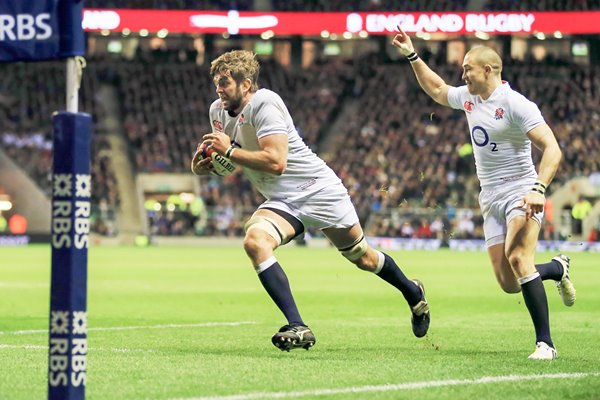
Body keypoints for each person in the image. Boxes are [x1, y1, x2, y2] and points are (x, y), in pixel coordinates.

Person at [191, 50, 430, 351]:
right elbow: (221, 157)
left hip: (319, 189)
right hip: (282, 199)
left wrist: (228, 152)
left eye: (224, 83)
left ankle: (413, 293)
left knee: (363, 257)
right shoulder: (218, 111)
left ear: (246, 84)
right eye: (217, 83)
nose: (219, 89)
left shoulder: (265, 104)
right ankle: (298, 325)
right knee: (255, 241)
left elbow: (276, 161)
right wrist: (203, 164)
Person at [392, 27, 576, 360]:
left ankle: (546, 344)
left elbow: (552, 148)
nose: (462, 74)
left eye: (467, 69)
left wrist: (538, 188)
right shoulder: (469, 98)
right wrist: (411, 55)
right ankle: (556, 268)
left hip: (522, 191)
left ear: (487, 71)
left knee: (519, 259)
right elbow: (436, 88)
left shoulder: (516, 104)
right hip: (489, 197)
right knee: (509, 282)